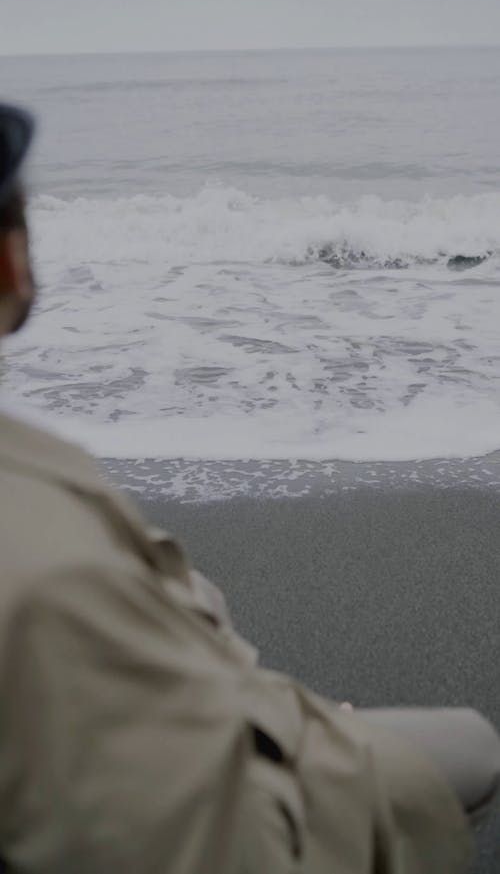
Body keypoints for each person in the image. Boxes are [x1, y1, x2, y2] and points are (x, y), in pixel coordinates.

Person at [0, 102, 472, 873]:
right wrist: (304, 743)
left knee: (204, 592)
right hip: (220, 794)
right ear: (11, 263)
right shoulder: (49, 547)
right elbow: (208, 834)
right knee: (475, 746)